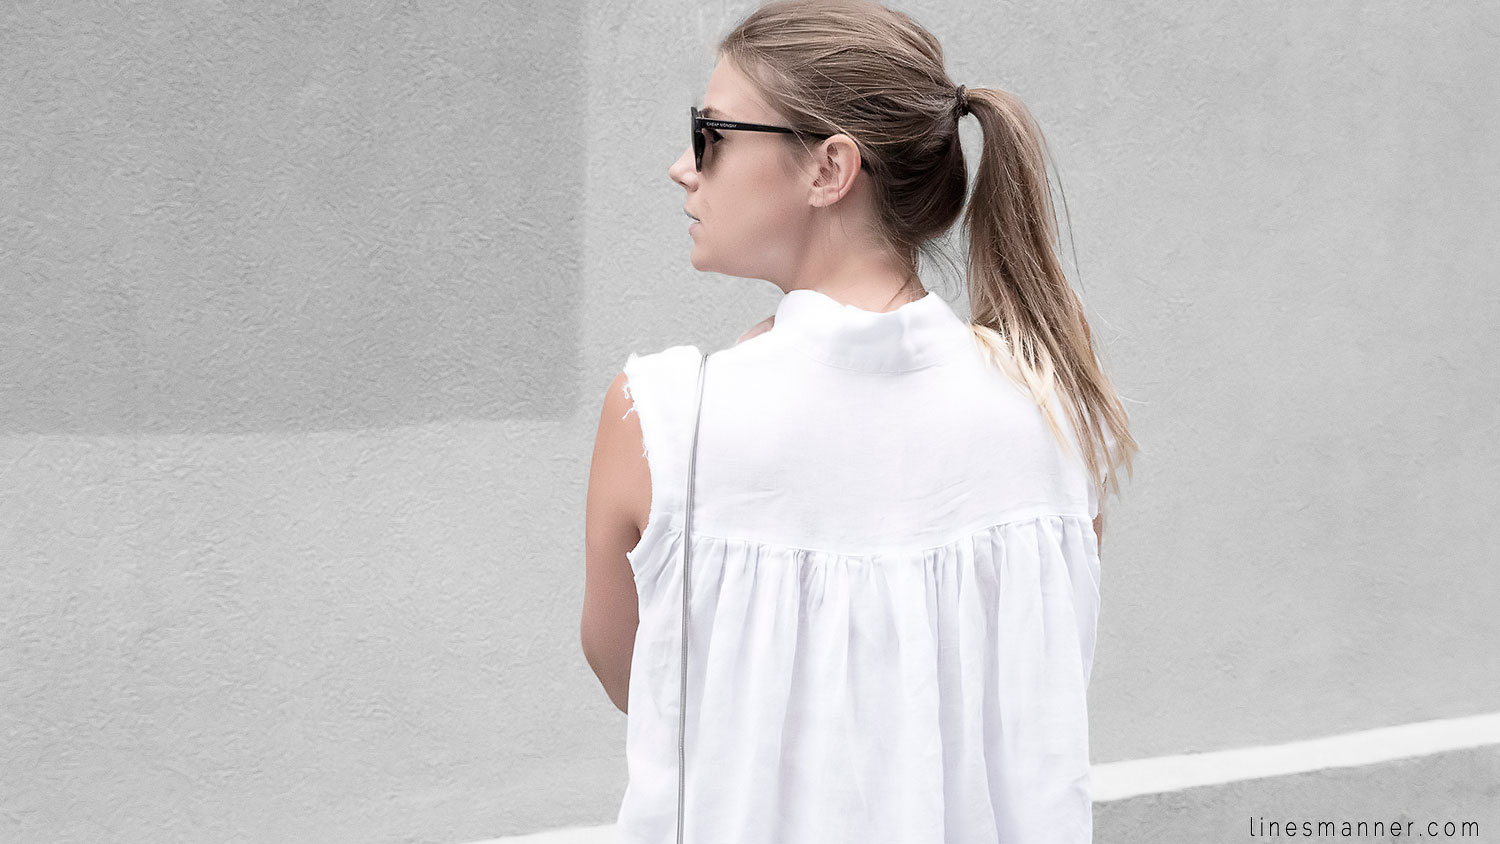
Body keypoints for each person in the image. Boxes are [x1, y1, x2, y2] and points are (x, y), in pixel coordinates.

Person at [583, 1, 1137, 841]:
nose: (683, 167)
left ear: (830, 168)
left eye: (712, 133)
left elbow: (640, 677)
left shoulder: (664, 420)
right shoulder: (1057, 413)